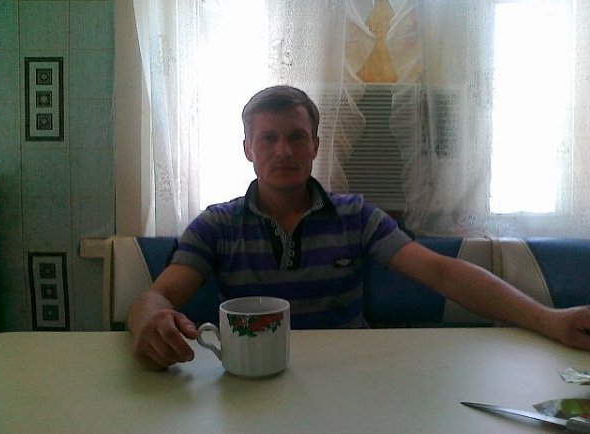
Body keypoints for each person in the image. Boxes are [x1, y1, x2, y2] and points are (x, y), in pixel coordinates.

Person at [128, 85, 590, 371]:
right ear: (248, 148)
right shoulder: (218, 224)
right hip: (251, 377)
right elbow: (156, 297)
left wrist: (549, 320)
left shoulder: (354, 215)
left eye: (296, 137)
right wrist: (149, 319)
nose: (283, 151)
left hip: (349, 377)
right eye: (268, 138)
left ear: (315, 145)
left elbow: (443, 273)